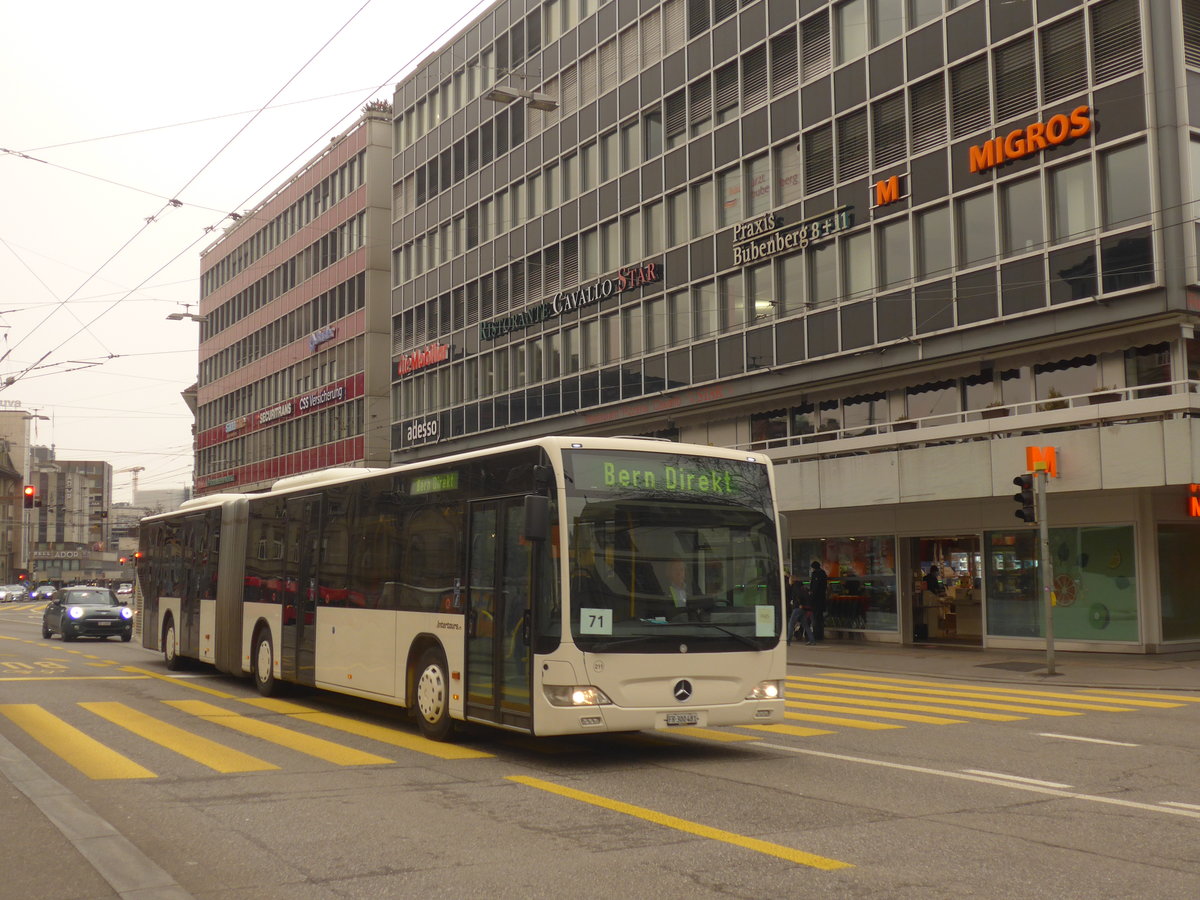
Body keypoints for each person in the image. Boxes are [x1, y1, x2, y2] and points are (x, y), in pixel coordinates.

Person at [786, 572, 814, 645]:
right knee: (805, 625)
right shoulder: (801, 586)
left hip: (797, 608)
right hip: (803, 608)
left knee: (791, 624)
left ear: (792, 580)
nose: (788, 581)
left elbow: (798, 596)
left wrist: (799, 603)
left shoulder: (795, 587)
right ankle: (812, 640)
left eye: (789, 580)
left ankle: (788, 640)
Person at [808, 561, 828, 642]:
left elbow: (814, 587)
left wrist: (811, 593)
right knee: (820, 617)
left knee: (815, 617)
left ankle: (816, 635)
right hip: (822, 599)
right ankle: (820, 634)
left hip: (816, 600)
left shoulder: (816, 574)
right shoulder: (823, 573)